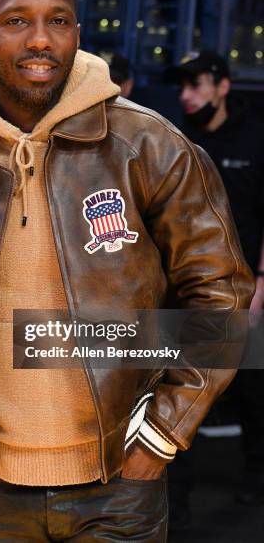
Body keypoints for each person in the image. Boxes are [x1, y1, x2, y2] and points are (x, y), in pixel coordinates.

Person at [0, 0, 254, 542]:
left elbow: (221, 292)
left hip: (120, 485)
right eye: (17, 20)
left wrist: (165, 428)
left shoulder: (148, 144)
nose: (41, 40)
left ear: (78, 31)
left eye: (58, 20)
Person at [168, 49, 264, 508]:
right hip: (189, 291)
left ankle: (258, 473)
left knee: (252, 391)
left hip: (245, 288)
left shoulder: (254, 137)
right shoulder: (178, 141)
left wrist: (261, 286)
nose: (187, 95)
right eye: (182, 86)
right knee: (178, 389)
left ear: (222, 85)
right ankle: (177, 499)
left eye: (197, 84)